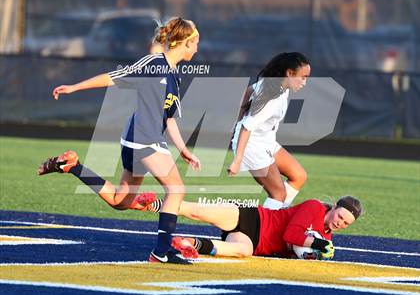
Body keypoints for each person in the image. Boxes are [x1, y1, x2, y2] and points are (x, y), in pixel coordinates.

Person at [38, 17, 201, 264]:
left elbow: (169, 120)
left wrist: (184, 149)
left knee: (119, 201)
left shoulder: (174, 76)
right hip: (143, 139)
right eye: (196, 43)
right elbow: (113, 77)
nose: (198, 49)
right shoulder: (154, 64)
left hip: (145, 139)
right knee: (176, 189)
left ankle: (73, 166)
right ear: (185, 43)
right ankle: (161, 252)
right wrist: (73, 87)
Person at [140, 194, 362, 260]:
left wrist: (318, 256)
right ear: (334, 207)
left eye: (345, 223)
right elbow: (291, 234)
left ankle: (190, 243)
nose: (339, 223)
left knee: (241, 251)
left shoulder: (326, 240)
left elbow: (300, 252)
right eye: (341, 216)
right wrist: (319, 243)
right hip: (252, 218)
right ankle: (152, 203)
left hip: (255, 244)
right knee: (197, 211)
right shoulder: (314, 206)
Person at [228, 52, 311, 210]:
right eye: (303, 77)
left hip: (266, 141)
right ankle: (264, 229)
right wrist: (237, 160)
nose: (304, 82)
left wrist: (237, 120)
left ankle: (277, 216)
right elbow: (246, 128)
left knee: (299, 176)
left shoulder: (277, 85)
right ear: (289, 73)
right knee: (278, 194)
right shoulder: (271, 98)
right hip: (251, 146)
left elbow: (248, 91)